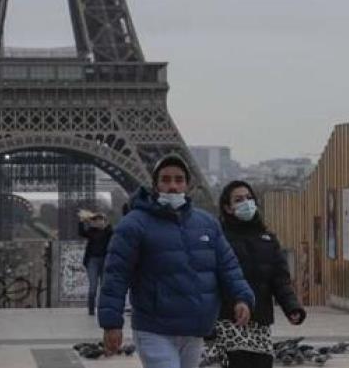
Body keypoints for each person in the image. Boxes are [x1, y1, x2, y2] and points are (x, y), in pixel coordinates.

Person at [98, 155, 255, 368]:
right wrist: (111, 324)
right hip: (154, 328)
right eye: (166, 179)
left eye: (179, 179)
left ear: (188, 185)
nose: (172, 186)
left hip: (194, 328)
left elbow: (228, 266)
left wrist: (242, 297)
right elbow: (115, 275)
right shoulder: (133, 225)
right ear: (155, 185)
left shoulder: (207, 223)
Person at [206, 180, 305, 368]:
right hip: (229, 321)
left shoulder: (268, 240)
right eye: (238, 199)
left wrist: (292, 307)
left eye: (249, 198)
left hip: (260, 321)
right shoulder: (219, 239)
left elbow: (280, 280)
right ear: (227, 207)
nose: (246, 202)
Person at [78, 210, 113, 316]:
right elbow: (81, 233)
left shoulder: (108, 231)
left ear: (104, 221)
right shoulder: (91, 231)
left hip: (105, 260)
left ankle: (103, 308)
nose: (98, 222)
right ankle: (91, 309)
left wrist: (106, 224)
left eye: (100, 220)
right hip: (92, 261)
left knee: (104, 286)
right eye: (96, 220)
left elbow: (114, 232)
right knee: (93, 286)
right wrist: (81, 221)